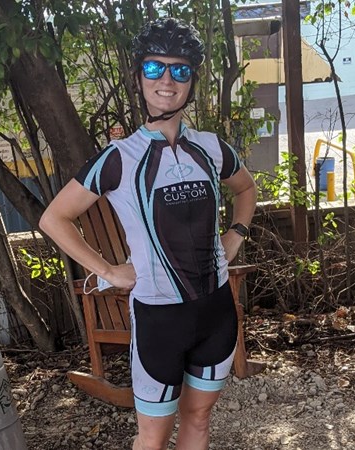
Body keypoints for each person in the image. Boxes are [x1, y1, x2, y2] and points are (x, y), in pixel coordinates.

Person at [39, 17, 256, 450]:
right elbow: (54, 218)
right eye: (155, 68)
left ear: (192, 81)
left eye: (180, 70)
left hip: (216, 310)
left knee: (198, 419)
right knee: (152, 439)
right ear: (138, 78)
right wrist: (108, 271)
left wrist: (236, 234)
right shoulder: (119, 157)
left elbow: (246, 189)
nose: (167, 80)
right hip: (159, 320)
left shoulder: (212, 147)